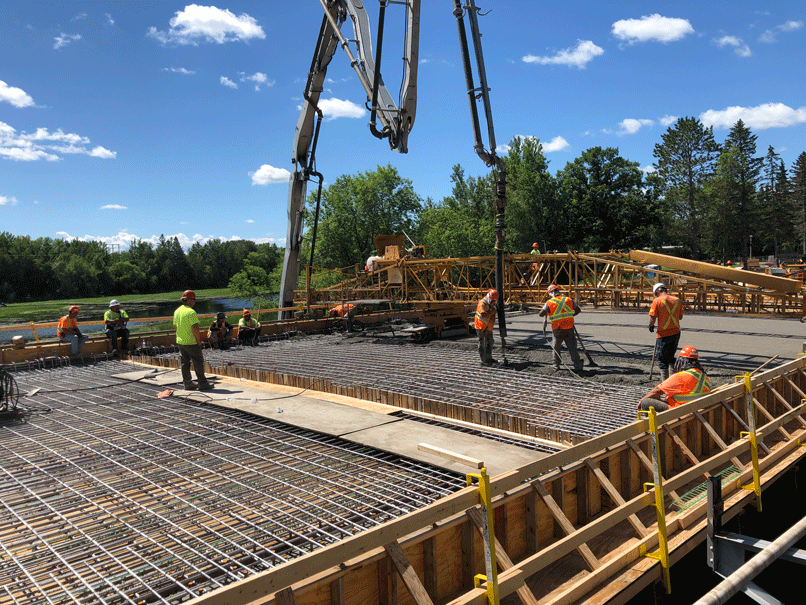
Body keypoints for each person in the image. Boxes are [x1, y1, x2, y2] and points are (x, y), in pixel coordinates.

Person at [638, 346, 710, 412]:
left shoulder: (680, 377)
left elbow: (657, 391)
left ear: (682, 361)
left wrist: (641, 400)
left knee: (645, 402)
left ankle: (647, 424)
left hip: (679, 412)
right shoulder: (703, 375)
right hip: (698, 410)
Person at [173, 290, 213, 391]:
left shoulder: (177, 311)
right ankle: (202, 383)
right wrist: (198, 341)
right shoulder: (191, 312)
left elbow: (175, 326)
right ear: (189, 300)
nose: (195, 301)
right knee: (198, 362)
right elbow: (195, 328)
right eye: (194, 299)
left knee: (184, 363)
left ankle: (187, 383)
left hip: (180, 342)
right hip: (191, 342)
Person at [539, 284, 583, 372]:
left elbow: (541, 314)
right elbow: (578, 310)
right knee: (572, 347)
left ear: (550, 293)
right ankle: (577, 365)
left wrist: (548, 311)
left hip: (557, 329)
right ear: (558, 291)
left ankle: (556, 366)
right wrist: (570, 315)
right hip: (569, 328)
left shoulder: (549, 302)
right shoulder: (568, 299)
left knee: (556, 347)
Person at [648, 282, 683, 381]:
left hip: (663, 334)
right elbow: (680, 317)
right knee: (671, 357)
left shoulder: (656, 301)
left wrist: (651, 326)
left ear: (657, 292)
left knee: (662, 359)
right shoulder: (677, 300)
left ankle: (665, 383)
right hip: (676, 333)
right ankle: (672, 380)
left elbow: (652, 318)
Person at [475, 288, 498, 366]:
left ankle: (489, 358)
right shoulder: (482, 303)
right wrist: (492, 311)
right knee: (482, 344)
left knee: (490, 342)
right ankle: (484, 360)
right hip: (481, 327)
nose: (493, 302)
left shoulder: (490, 303)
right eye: (492, 301)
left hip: (488, 327)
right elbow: (483, 314)